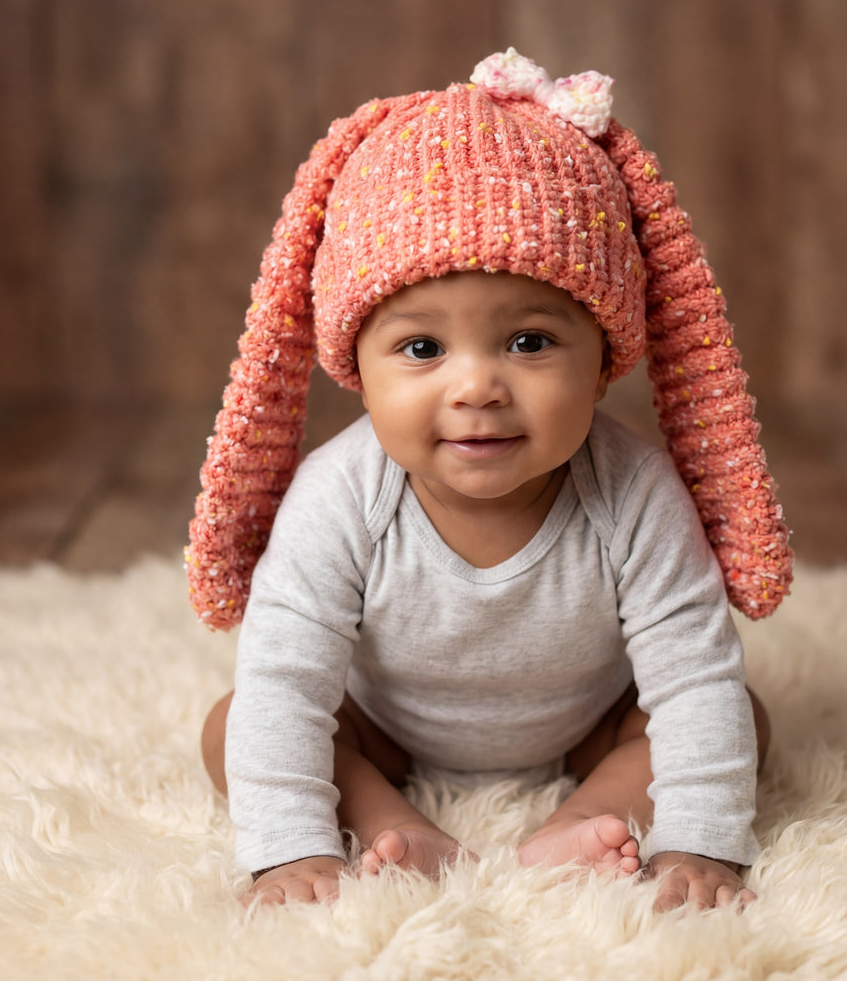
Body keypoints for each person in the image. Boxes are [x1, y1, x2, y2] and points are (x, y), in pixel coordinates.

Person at [187, 49, 792, 913]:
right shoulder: (339, 497)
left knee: (734, 716)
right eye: (423, 348)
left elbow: (691, 674)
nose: (476, 387)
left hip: (588, 726)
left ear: (604, 358)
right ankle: (392, 819)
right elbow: (289, 680)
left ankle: (582, 818)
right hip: (382, 732)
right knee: (238, 722)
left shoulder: (636, 492)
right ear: (354, 363)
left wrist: (702, 844)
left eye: (530, 342)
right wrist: (288, 852)